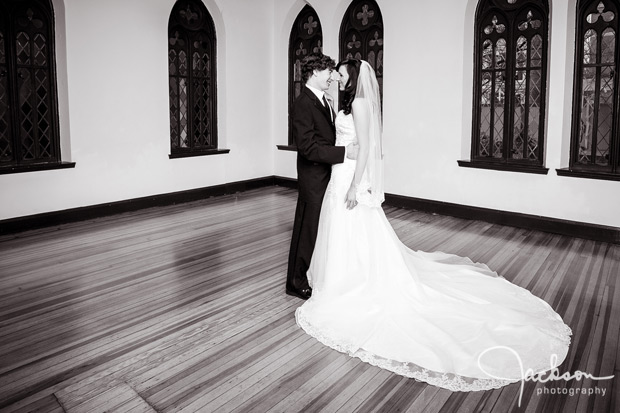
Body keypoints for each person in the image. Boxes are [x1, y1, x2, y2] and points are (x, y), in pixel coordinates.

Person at [295, 59, 572, 391]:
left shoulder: (358, 102)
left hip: (348, 178)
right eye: (333, 73)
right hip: (337, 174)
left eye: (340, 72)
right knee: (341, 232)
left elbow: (367, 147)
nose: (336, 77)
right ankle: (337, 281)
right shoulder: (341, 102)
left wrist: (357, 185)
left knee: (356, 230)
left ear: (353, 75)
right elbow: (338, 142)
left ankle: (354, 283)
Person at [286, 53, 359, 300]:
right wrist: (345, 152)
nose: (332, 76)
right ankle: (295, 283)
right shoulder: (303, 103)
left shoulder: (323, 100)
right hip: (313, 178)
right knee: (306, 230)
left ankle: (315, 274)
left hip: (329, 176)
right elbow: (307, 148)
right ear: (315, 72)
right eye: (329, 71)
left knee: (320, 229)